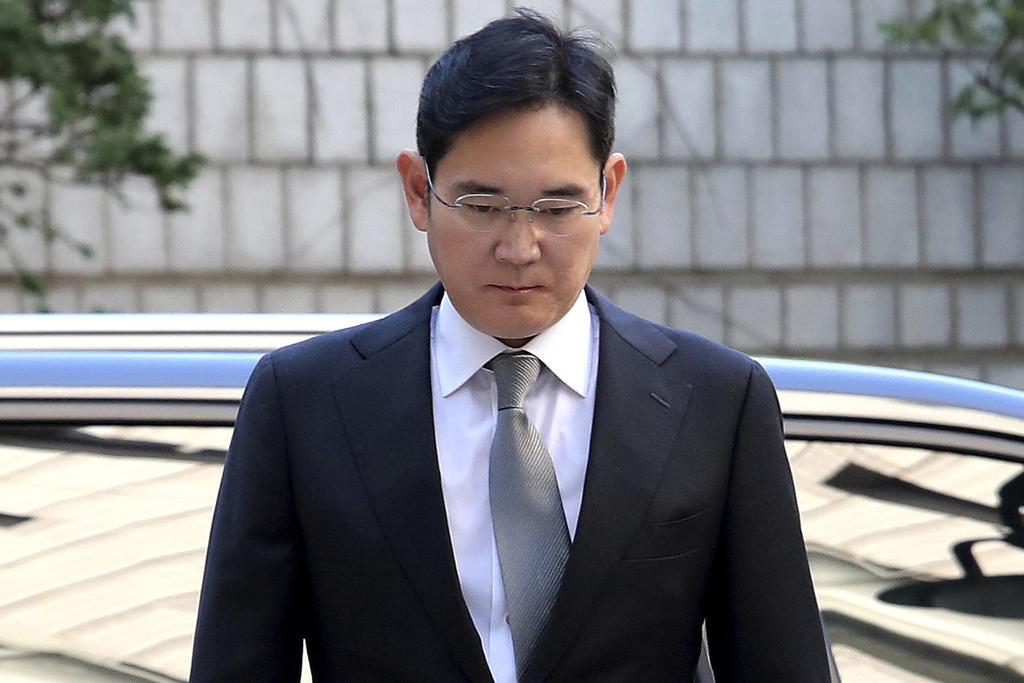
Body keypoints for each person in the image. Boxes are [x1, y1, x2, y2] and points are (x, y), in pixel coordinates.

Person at [190, 9, 832, 682]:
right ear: (419, 192)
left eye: (557, 208)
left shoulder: (715, 402)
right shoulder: (305, 403)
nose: (520, 247)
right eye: (482, 206)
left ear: (608, 192)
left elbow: (781, 663)